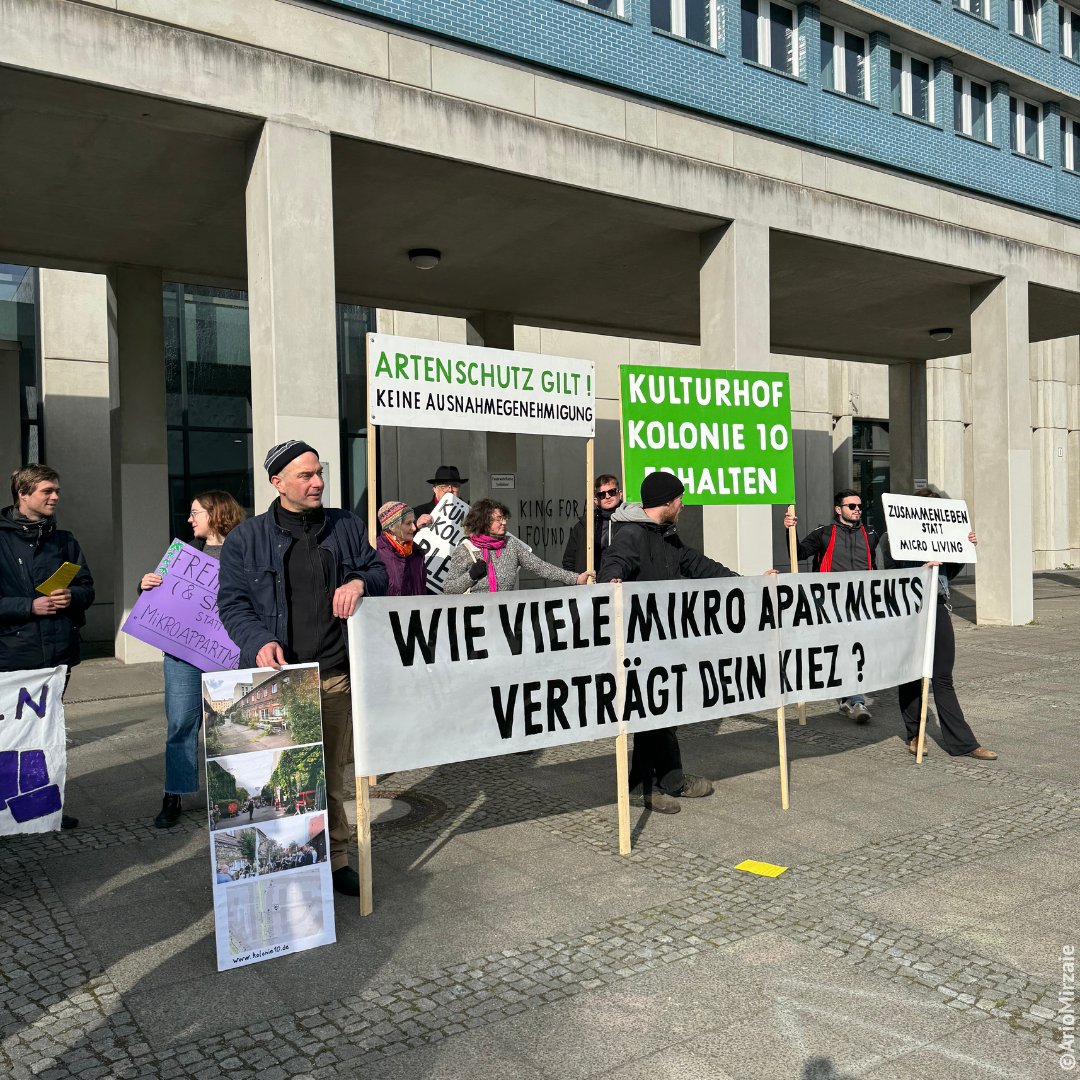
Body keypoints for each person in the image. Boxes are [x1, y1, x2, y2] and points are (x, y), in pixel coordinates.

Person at [217, 440, 389, 896]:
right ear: (277, 483)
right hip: (275, 682)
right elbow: (232, 604)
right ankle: (277, 866)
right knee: (273, 782)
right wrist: (258, 640)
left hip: (333, 675)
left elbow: (379, 573)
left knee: (329, 777)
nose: (317, 483)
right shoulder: (246, 538)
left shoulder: (346, 525)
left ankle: (337, 859)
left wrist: (358, 581)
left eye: (319, 473)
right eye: (305, 476)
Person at [600, 471, 777, 814]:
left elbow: (702, 567)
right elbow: (614, 564)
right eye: (679, 499)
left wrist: (751, 583)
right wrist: (612, 581)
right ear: (666, 502)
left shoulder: (667, 537)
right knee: (651, 715)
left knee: (665, 711)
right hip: (639, 645)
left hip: (664, 641)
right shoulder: (632, 534)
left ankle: (671, 779)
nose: (683, 505)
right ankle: (640, 787)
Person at [139, 490, 245, 828]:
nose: (189, 519)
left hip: (227, 653)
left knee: (229, 727)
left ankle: (233, 792)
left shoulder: (245, 551)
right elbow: (163, 599)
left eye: (195, 512)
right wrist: (146, 586)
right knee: (180, 725)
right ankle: (174, 794)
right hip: (182, 656)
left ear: (215, 514)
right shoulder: (183, 554)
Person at [0, 464, 95, 830]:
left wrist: (72, 596)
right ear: (23, 494)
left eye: (56, 490)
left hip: (57, 657)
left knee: (44, 734)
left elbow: (87, 588)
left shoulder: (64, 540)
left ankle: (42, 807)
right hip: (12, 655)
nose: (56, 496)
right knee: (10, 735)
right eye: (47, 491)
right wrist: (29, 606)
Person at [879, 488, 997, 761]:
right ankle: (915, 735)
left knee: (943, 676)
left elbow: (949, 573)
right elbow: (884, 576)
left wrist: (963, 547)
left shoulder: (942, 535)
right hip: (907, 609)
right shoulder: (890, 537)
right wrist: (919, 570)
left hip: (938, 605)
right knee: (910, 674)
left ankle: (964, 743)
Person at [784, 489, 878, 723]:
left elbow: (876, 566)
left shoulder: (870, 534)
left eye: (859, 506)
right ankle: (855, 700)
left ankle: (849, 698)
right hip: (830, 604)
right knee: (844, 649)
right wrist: (790, 530)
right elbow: (798, 554)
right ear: (838, 509)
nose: (857, 510)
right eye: (851, 506)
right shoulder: (823, 534)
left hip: (861, 603)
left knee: (854, 650)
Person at [443, 498, 592, 594]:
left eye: (504, 518)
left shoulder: (511, 545)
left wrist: (576, 579)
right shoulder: (465, 549)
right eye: (498, 519)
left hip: (505, 617)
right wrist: (471, 576)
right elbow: (449, 588)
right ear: (483, 521)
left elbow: (541, 567)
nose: (504, 522)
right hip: (475, 621)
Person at [562, 474, 623, 574]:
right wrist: (577, 581)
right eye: (602, 494)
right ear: (596, 500)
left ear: (620, 494)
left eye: (611, 492)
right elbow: (569, 561)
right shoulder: (583, 527)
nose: (607, 496)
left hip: (623, 581)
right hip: (592, 581)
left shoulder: (630, 522)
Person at [375, 501, 427, 595]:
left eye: (413, 522)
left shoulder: (417, 553)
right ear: (392, 527)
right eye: (408, 523)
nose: (414, 528)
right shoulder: (375, 553)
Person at [413, 465, 467, 529]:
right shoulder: (417, 513)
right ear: (434, 489)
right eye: (444, 485)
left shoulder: (470, 514)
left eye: (455, 485)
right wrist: (416, 525)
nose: (450, 490)